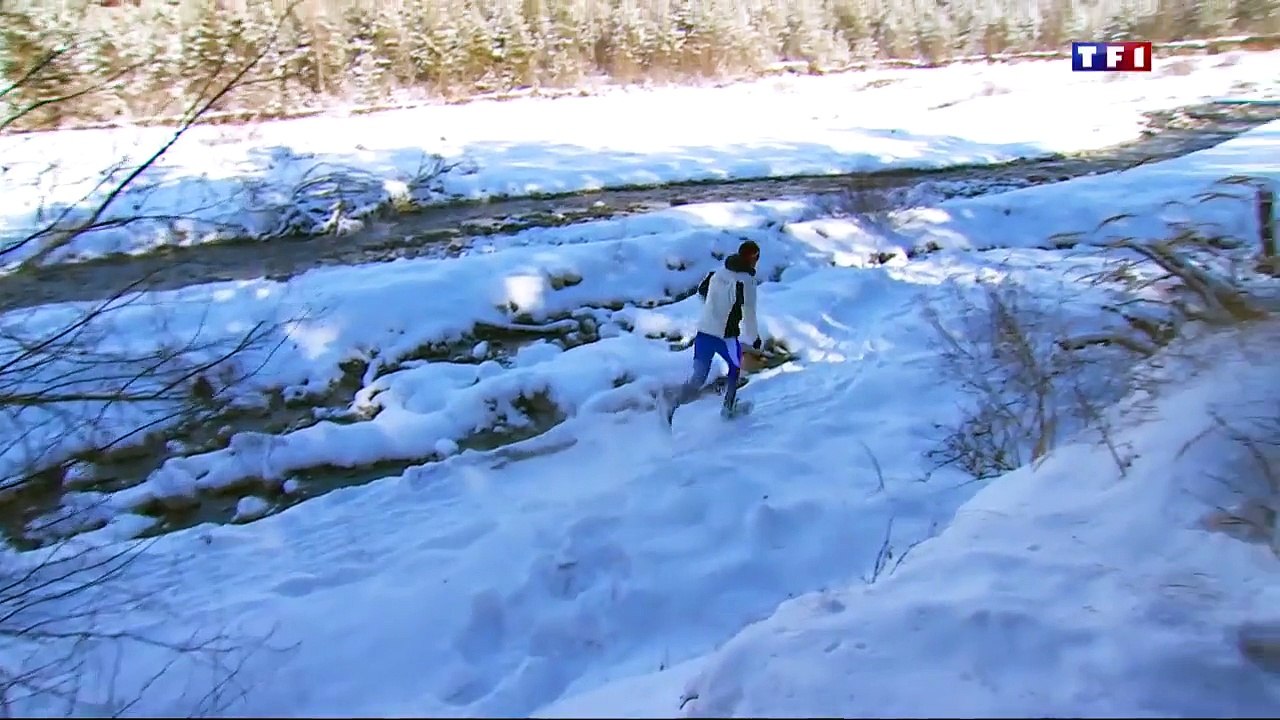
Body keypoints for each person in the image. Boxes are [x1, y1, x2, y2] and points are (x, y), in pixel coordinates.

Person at [662, 240, 763, 422]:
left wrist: (714, 309)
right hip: (725, 336)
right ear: (753, 259)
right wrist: (754, 337)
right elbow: (749, 312)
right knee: (734, 368)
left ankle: (672, 404)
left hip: (703, 332)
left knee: (698, 377)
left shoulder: (718, 272)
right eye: (756, 258)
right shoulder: (746, 281)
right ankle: (728, 408)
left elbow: (702, 291)